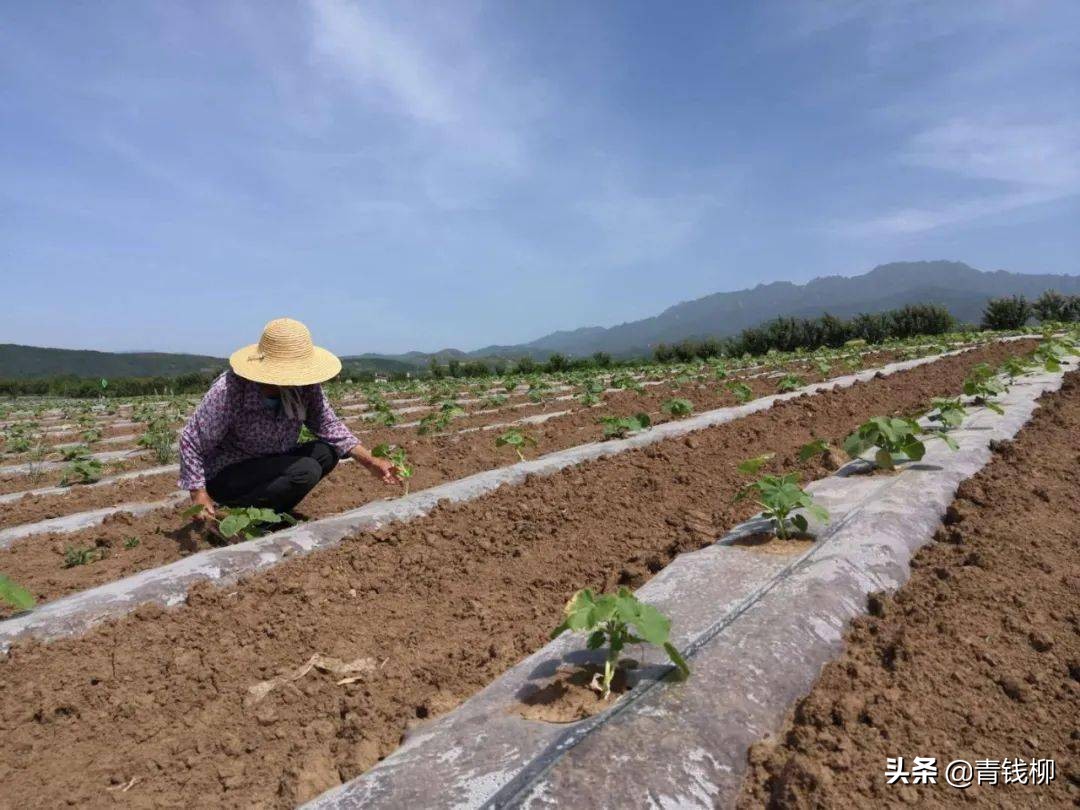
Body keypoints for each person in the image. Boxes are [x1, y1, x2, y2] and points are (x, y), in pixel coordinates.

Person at [178, 317, 399, 525]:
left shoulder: (304, 387)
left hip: (274, 462)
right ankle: (239, 515)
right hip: (231, 472)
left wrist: (370, 461)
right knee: (305, 470)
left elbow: (328, 424)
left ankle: (272, 510)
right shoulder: (231, 389)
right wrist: (198, 493)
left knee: (326, 452)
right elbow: (191, 440)